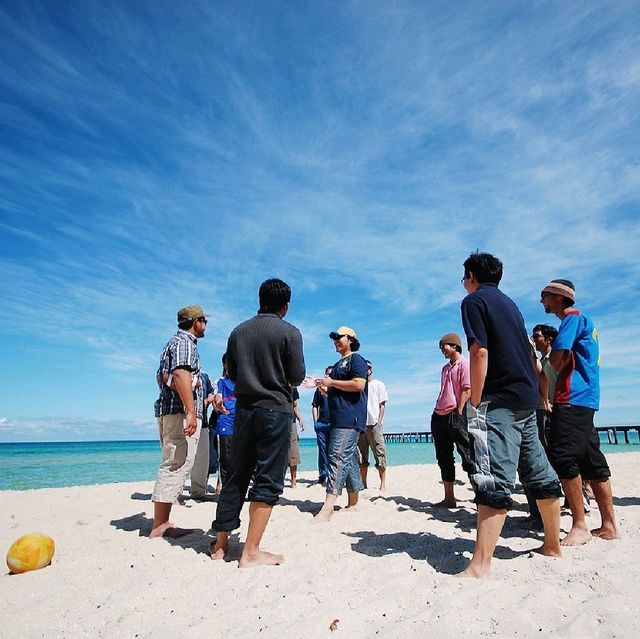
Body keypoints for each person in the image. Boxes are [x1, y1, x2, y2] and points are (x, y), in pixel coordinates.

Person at [459, 252, 563, 578]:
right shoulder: (511, 305)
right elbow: (530, 355)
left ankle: (480, 565)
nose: (463, 282)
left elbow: (479, 351)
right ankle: (552, 546)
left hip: (500, 399)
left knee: (493, 479)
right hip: (526, 398)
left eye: (464, 276)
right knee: (540, 473)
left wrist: (475, 401)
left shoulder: (474, 302)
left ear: (472, 276)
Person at [211, 279, 305, 567]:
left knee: (236, 474)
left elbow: (234, 373)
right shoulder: (290, 332)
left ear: (260, 299)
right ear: (285, 306)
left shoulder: (237, 332)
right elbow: (298, 376)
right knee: (267, 479)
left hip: (244, 410)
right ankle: (250, 552)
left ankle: (220, 545)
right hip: (275, 410)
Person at [540, 279, 620, 545]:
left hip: (571, 396)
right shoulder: (586, 320)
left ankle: (580, 524)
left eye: (545, 296)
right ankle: (609, 525)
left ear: (560, 297)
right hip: (586, 397)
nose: (542, 302)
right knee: (591, 460)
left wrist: (552, 360)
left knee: (561, 456)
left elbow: (557, 358)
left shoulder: (572, 318)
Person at [151, 305, 209, 538]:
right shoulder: (184, 343)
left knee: (173, 461)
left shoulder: (173, 343)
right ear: (195, 322)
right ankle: (160, 525)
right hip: (177, 412)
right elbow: (180, 374)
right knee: (176, 463)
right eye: (203, 320)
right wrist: (191, 411)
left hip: (169, 410)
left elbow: (162, 377)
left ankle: (161, 521)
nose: (205, 324)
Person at [313, 326, 367, 523]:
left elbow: (359, 385)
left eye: (339, 337)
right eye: (334, 337)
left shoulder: (356, 359)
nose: (336, 340)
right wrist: (323, 387)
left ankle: (328, 507)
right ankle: (353, 502)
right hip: (338, 417)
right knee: (349, 457)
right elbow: (337, 393)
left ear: (350, 339)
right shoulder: (337, 365)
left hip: (349, 418)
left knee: (336, 456)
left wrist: (332, 382)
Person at [430, 333, 473, 507]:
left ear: (454, 346)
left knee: (467, 454)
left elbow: (466, 389)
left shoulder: (465, 363)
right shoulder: (445, 368)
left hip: (456, 414)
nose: (442, 350)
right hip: (439, 414)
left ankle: (480, 497)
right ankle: (449, 498)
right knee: (444, 456)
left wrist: (459, 412)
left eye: (444, 346)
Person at [357, 360, 389, 490]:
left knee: (380, 454)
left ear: (371, 369)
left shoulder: (379, 384)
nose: (365, 370)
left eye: (367, 368)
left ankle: (383, 484)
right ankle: (364, 483)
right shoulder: (360, 386)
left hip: (374, 424)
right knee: (361, 457)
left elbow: (382, 405)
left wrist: (379, 422)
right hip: (361, 426)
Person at [211, 353, 236, 493]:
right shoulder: (220, 381)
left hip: (241, 424)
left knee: (241, 458)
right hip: (225, 423)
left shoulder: (243, 381)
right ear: (224, 364)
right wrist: (218, 405)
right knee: (225, 459)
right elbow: (217, 399)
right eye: (229, 362)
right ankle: (225, 490)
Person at [190, 371, 216, 500]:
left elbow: (211, 392)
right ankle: (174, 493)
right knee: (184, 458)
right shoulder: (182, 373)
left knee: (202, 460)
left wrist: (208, 400)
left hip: (203, 421)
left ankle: (199, 492)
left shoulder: (204, 376)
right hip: (186, 419)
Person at [311, 367, 333, 485]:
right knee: (322, 450)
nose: (329, 376)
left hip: (334, 424)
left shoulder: (336, 389)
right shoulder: (319, 391)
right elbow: (315, 405)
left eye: (331, 374)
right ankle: (323, 474)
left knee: (333, 451)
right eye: (328, 374)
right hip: (321, 423)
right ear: (325, 375)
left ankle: (331, 474)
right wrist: (315, 422)